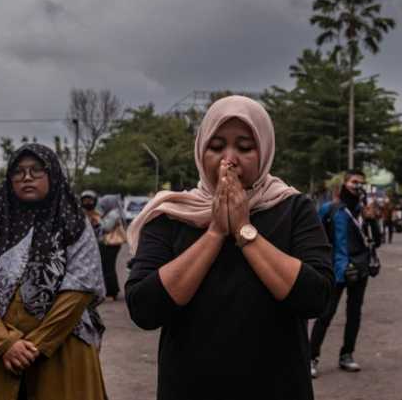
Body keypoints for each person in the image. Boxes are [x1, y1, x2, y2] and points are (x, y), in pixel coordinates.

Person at [125, 96, 332, 400]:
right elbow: (144, 308)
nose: (229, 159)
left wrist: (244, 231)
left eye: (245, 147)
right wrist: (216, 231)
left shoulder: (293, 208)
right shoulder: (171, 216)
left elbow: (316, 298)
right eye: (217, 146)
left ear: (264, 151)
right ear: (200, 150)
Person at [0, 143, 106, 400]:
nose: (27, 177)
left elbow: (81, 286)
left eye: (36, 170)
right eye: (19, 171)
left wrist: (36, 346)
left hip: (62, 344)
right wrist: (5, 343)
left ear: (53, 174)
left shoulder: (74, 222)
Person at [309, 169, 372, 376]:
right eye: (354, 182)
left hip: (359, 270)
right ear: (345, 183)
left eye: (361, 183)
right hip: (336, 270)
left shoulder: (363, 211)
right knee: (325, 314)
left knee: (354, 315)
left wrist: (372, 220)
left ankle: (347, 355)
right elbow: (316, 236)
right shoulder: (331, 209)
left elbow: (375, 241)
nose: (357, 186)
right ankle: (311, 357)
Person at [96, 195, 125, 301]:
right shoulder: (115, 212)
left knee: (108, 268)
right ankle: (112, 291)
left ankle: (111, 292)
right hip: (112, 245)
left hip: (110, 244)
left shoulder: (113, 214)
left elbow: (106, 227)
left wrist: (98, 220)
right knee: (109, 267)